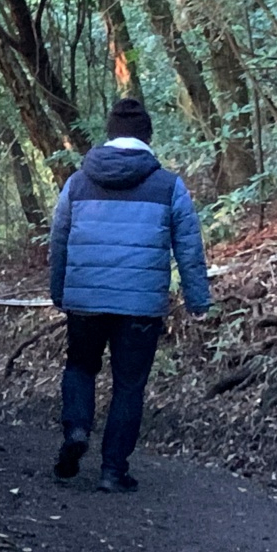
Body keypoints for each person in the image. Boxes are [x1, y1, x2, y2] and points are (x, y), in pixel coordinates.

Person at [47, 98, 210, 492]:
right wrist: (197, 299)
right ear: (148, 136)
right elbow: (188, 245)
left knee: (81, 367)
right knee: (129, 384)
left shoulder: (77, 183)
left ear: (110, 133)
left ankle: (77, 430)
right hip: (140, 305)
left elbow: (59, 240)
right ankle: (112, 470)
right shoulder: (169, 185)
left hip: (85, 299)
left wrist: (59, 292)